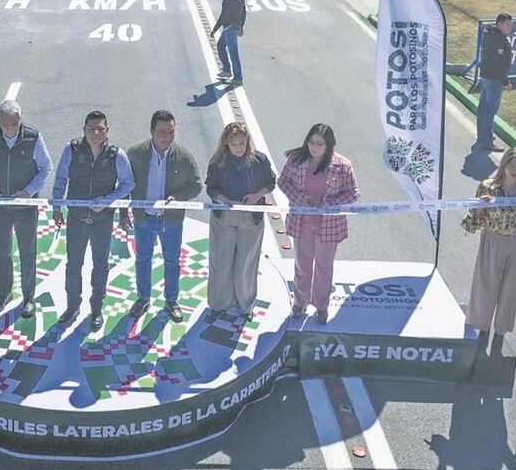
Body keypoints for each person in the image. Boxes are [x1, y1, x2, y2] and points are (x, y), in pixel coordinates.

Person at [461, 148, 516, 356]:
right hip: (493, 242)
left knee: (511, 291)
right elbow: (474, 221)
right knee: (486, 287)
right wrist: (481, 206)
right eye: (511, 165)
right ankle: (482, 332)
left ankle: (499, 336)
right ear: (504, 166)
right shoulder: (488, 188)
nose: (515, 170)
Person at [51, 110, 135, 331]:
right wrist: (57, 207)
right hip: (76, 220)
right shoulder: (71, 150)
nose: (96, 133)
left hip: (102, 222)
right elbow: (60, 180)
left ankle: (96, 309)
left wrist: (108, 201)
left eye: (100, 129)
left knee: (100, 266)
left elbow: (128, 185)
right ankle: (72, 306)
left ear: (107, 131)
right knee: (73, 265)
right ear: (84, 130)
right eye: (91, 129)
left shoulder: (117, 155)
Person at [0, 99, 53, 317]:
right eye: (5, 125)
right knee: (1, 250)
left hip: (25, 206)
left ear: (20, 120)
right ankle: (4, 292)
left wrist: (29, 191)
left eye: (14, 124)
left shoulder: (33, 137)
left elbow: (46, 167)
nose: (10, 129)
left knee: (27, 251)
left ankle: (28, 297)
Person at [118, 110, 201, 323]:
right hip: (144, 219)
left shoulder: (184, 156)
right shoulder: (135, 153)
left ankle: (171, 300)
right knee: (143, 259)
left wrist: (177, 197)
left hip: (171, 221)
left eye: (171, 132)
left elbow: (196, 185)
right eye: (162, 132)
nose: (167, 137)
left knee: (172, 261)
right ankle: (143, 298)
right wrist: (123, 213)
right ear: (152, 131)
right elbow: (125, 185)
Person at [278, 123, 359, 325]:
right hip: (302, 222)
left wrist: (331, 204)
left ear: (328, 145)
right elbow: (282, 181)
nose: (314, 147)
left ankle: (321, 306)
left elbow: (353, 193)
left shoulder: (343, 166)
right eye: (311, 142)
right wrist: (297, 197)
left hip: (328, 226)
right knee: (302, 265)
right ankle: (300, 302)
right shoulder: (296, 160)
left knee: (324, 267)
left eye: (319, 143)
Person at [204, 122, 275, 316]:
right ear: (226, 142)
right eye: (234, 144)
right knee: (221, 262)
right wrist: (221, 199)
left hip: (250, 218)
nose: (238, 148)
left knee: (247, 263)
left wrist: (256, 196)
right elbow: (211, 187)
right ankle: (219, 304)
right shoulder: (217, 161)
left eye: (242, 143)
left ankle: (246, 305)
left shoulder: (260, 161)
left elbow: (271, 182)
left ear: (248, 142)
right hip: (224, 216)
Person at [475, 13, 514, 153]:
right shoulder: (497, 39)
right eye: (507, 24)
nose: (510, 27)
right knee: (490, 110)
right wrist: (505, 82)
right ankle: (486, 140)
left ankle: (482, 135)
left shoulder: (491, 34)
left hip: (487, 76)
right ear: (499, 24)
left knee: (483, 108)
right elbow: (498, 63)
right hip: (493, 79)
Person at [210, 0, 247, 85]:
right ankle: (226, 70)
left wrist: (215, 29)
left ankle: (237, 78)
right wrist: (241, 26)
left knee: (233, 53)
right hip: (235, 27)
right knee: (221, 46)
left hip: (230, 28)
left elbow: (223, 16)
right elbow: (243, 12)